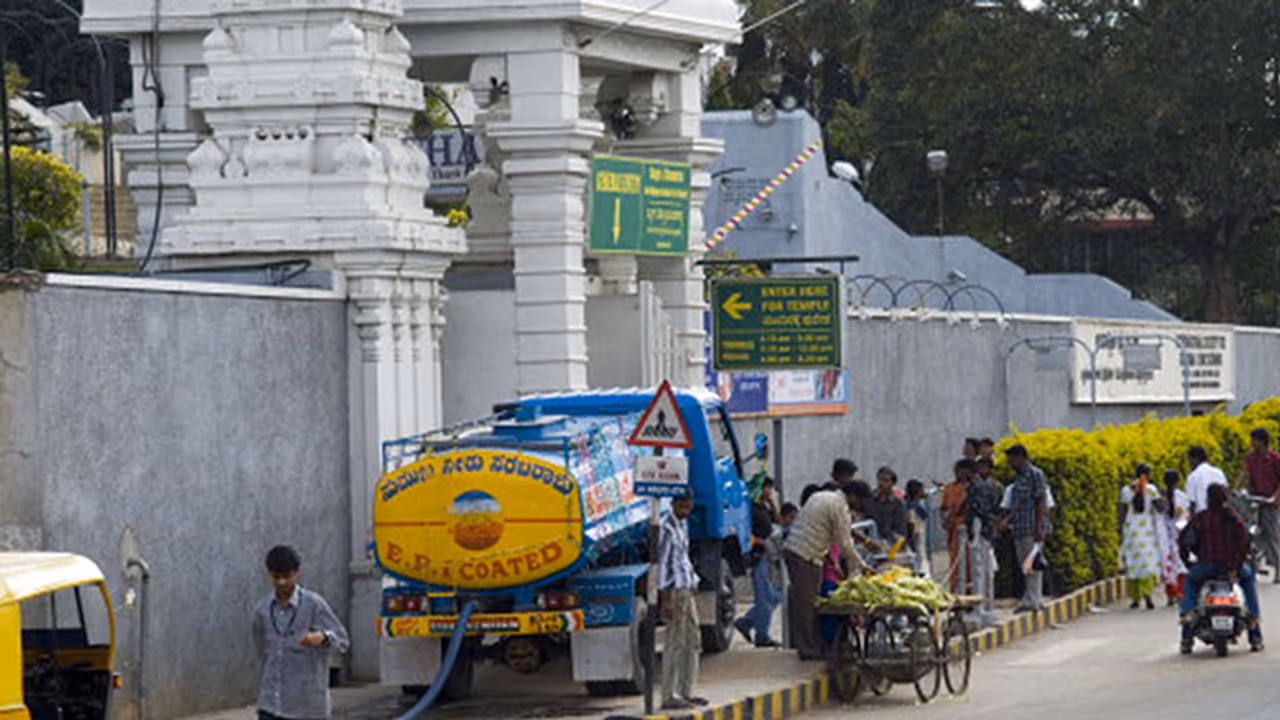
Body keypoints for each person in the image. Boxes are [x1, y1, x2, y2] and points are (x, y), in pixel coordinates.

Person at [252, 545, 349, 720]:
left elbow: (342, 640)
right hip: (271, 705)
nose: (281, 582)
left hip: (306, 708)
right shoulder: (262, 611)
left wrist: (323, 638)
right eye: (276, 577)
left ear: (296, 573)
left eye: (286, 577)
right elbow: (262, 651)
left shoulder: (314, 604)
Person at [783, 481, 874, 660]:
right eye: (861, 500)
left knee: (813, 602)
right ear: (853, 496)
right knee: (807, 605)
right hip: (804, 554)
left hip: (804, 552)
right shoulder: (838, 507)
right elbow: (845, 545)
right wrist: (862, 566)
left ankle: (817, 645)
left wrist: (834, 565)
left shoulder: (822, 496)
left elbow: (822, 532)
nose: (861, 504)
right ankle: (808, 649)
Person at [1178, 484, 1263, 653]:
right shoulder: (1234, 519)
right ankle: (1254, 630)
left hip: (1206, 567)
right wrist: (1235, 568)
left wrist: (1188, 563)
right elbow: (1243, 544)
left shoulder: (1200, 519)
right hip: (1232, 568)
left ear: (1207, 499)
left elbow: (1184, 541)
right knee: (1248, 580)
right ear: (1226, 499)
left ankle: (1187, 624)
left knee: (1191, 581)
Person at [658, 493, 707, 710]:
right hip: (675, 592)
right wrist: (665, 599)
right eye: (682, 507)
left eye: (689, 507)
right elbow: (662, 565)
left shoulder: (681, 525)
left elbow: (683, 560)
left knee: (693, 639)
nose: (686, 511)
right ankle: (669, 694)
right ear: (673, 504)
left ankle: (686, 691)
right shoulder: (666, 527)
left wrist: (693, 583)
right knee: (675, 642)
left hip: (687, 589)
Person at [735, 479, 783, 647]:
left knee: (774, 597)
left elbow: (778, 520)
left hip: (765, 556)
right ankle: (762, 637)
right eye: (767, 489)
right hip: (756, 557)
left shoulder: (763, 507)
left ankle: (745, 622)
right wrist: (758, 542)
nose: (769, 492)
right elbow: (745, 531)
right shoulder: (748, 509)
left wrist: (771, 503)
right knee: (764, 600)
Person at [1005, 445, 1048, 613]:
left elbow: (1040, 501)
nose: (1010, 463)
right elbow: (1018, 505)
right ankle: (1032, 597)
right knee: (1026, 565)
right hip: (1020, 527)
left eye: (1012, 459)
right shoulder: (1019, 478)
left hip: (1031, 527)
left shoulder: (1035, 475)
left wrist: (1038, 528)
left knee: (1033, 565)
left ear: (1021, 457)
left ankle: (1033, 600)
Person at [965, 458, 1002, 625]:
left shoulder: (978, 486)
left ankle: (983, 609)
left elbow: (980, 510)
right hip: (985, 532)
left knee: (981, 571)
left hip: (982, 532)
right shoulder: (978, 485)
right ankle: (987, 607)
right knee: (984, 571)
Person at [1240, 428, 1280, 583]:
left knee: (1271, 535)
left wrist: (1275, 497)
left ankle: (1277, 568)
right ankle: (1253, 564)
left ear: (1262, 441)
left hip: (1270, 502)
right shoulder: (1250, 459)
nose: (1252, 444)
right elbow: (1245, 476)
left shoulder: (1274, 459)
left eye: (1254, 440)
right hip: (1253, 500)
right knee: (1249, 532)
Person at [1119, 464, 1161, 610]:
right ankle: (1148, 596)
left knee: (1132, 564)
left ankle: (1135, 599)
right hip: (1146, 531)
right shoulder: (1152, 490)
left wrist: (1120, 530)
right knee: (1147, 564)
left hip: (1131, 530)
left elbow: (1122, 511)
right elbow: (1160, 508)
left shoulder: (1126, 490)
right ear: (1148, 475)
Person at [1154, 469, 1190, 606]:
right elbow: (1185, 515)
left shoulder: (1159, 497)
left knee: (1168, 565)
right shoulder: (1182, 496)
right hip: (1177, 533)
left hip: (1165, 535)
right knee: (1179, 564)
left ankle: (1171, 595)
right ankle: (1180, 592)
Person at [941, 460, 975, 593]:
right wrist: (944, 519)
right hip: (953, 529)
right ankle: (955, 591)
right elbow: (943, 508)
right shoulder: (949, 488)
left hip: (967, 528)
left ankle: (970, 592)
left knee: (970, 562)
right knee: (955, 560)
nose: (957, 473)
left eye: (960, 470)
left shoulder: (971, 487)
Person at [864, 467, 909, 544]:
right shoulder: (868, 500)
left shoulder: (897, 504)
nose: (881, 483)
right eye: (880, 479)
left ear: (893, 483)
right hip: (869, 542)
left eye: (886, 480)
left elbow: (900, 529)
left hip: (889, 543)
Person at [1185, 445, 1227, 515]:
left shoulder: (1192, 477)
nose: (1189, 464)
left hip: (1202, 518)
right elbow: (1226, 495)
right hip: (1220, 516)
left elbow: (1191, 503)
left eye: (1190, 460)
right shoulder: (1219, 473)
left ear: (1195, 459)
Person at [905, 479, 930, 575]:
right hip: (916, 534)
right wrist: (911, 538)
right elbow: (911, 523)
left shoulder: (915, 504)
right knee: (918, 558)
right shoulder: (912, 506)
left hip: (918, 533)